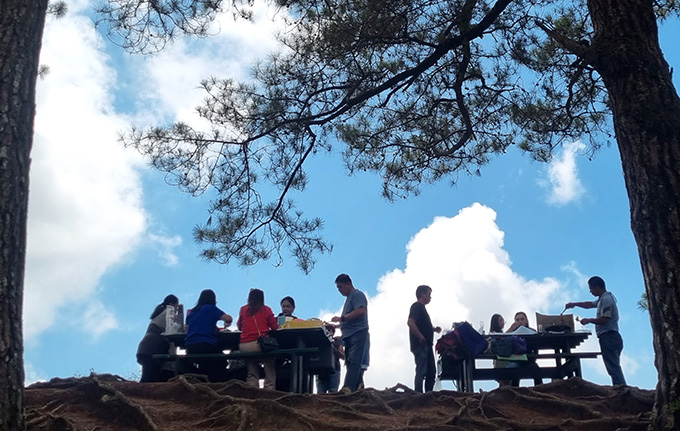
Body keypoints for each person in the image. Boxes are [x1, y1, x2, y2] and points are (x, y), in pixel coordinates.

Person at [565, 275, 626, 385]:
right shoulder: (602, 299)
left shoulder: (606, 300)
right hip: (611, 337)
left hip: (609, 336)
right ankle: (620, 387)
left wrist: (589, 320)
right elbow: (589, 304)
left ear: (597, 287)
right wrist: (574, 304)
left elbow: (604, 319)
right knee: (613, 365)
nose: (590, 291)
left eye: (591, 289)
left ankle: (622, 388)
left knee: (613, 367)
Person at [331, 273, 369, 392]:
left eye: (340, 287)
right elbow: (349, 321)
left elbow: (360, 311)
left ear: (348, 284)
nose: (339, 290)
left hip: (357, 333)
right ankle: (359, 388)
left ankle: (348, 388)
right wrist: (337, 326)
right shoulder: (349, 299)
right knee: (350, 362)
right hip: (349, 335)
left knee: (354, 361)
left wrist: (342, 318)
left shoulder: (357, 295)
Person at [184, 289, 233, 382]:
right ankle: (218, 383)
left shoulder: (192, 312)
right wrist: (227, 323)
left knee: (206, 362)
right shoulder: (210, 308)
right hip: (206, 344)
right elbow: (228, 318)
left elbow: (187, 330)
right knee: (221, 360)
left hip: (190, 347)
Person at [237, 288, 279, 389]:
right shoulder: (266, 310)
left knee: (251, 367)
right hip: (260, 344)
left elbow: (239, 326)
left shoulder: (243, 309)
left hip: (245, 346)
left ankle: (252, 388)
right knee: (269, 363)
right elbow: (275, 327)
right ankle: (269, 388)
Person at [407, 285, 442, 392]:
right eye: (429, 294)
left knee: (431, 371)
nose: (430, 297)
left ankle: (428, 394)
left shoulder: (421, 309)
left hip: (426, 344)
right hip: (421, 345)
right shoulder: (417, 307)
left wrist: (433, 329)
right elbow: (411, 322)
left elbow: (422, 325)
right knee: (422, 370)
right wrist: (420, 336)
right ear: (423, 294)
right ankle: (418, 393)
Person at [136, 294, 179, 382]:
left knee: (149, 378)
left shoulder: (159, 315)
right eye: (176, 307)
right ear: (171, 304)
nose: (177, 310)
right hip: (152, 348)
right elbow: (174, 331)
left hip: (147, 348)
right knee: (148, 379)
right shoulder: (169, 313)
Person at [316, 325, 344, 393]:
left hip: (334, 369)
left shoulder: (336, 342)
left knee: (333, 392)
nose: (329, 332)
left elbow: (343, 356)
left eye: (330, 330)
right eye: (327, 330)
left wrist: (337, 351)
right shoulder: (319, 341)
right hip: (321, 370)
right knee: (321, 393)